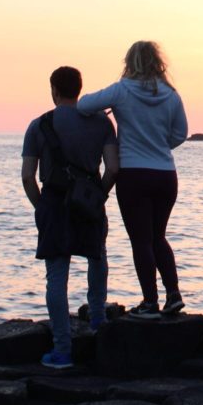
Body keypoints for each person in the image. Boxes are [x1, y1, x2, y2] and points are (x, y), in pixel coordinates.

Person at [78, 40, 188, 319]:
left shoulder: (122, 90)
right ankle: (173, 295)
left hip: (133, 174)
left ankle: (150, 302)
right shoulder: (171, 95)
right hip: (165, 174)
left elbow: (83, 104)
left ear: (130, 62)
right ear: (157, 62)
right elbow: (180, 134)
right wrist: (159, 146)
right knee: (158, 236)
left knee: (141, 240)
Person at [22, 66, 120, 368]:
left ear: (54, 89)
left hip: (53, 201)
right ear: (79, 88)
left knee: (56, 277)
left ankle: (62, 350)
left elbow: (28, 177)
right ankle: (99, 324)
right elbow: (113, 169)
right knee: (97, 258)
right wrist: (98, 195)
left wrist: (41, 206)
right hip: (88, 199)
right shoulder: (101, 123)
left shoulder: (40, 125)